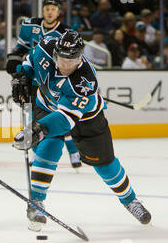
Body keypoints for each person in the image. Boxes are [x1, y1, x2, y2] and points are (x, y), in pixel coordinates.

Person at [11, 30, 151, 232]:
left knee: (104, 164)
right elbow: (29, 60)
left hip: (86, 117)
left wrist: (37, 129)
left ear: (81, 56)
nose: (67, 65)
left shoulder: (85, 82)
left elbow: (65, 119)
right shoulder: (44, 47)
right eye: (63, 59)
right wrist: (21, 76)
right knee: (50, 146)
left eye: (73, 60)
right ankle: (37, 203)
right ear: (55, 52)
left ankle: (130, 201)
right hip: (47, 104)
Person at [7, 0, 81, 175]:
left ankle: (73, 150)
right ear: (43, 10)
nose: (49, 11)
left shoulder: (65, 33)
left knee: (59, 117)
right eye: (47, 8)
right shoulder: (30, 25)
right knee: (34, 116)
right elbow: (21, 49)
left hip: (54, 81)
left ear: (58, 12)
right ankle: (37, 151)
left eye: (53, 9)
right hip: (34, 79)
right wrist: (14, 60)